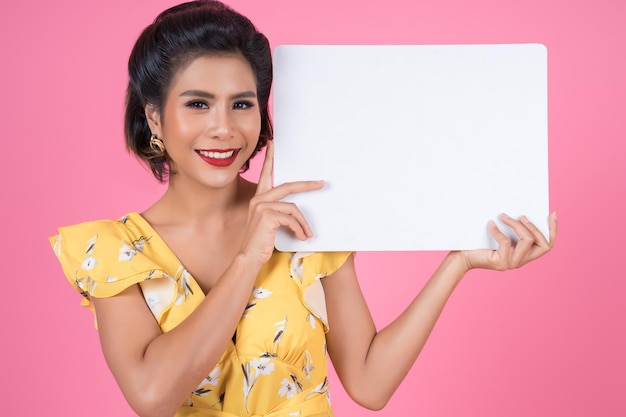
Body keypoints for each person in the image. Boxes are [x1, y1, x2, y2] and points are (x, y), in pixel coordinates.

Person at [49, 1, 558, 416]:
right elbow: (152, 395)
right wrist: (250, 255)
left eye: (242, 103)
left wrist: (459, 262)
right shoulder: (111, 251)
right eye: (198, 104)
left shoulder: (308, 221)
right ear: (154, 117)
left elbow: (369, 382)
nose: (224, 128)